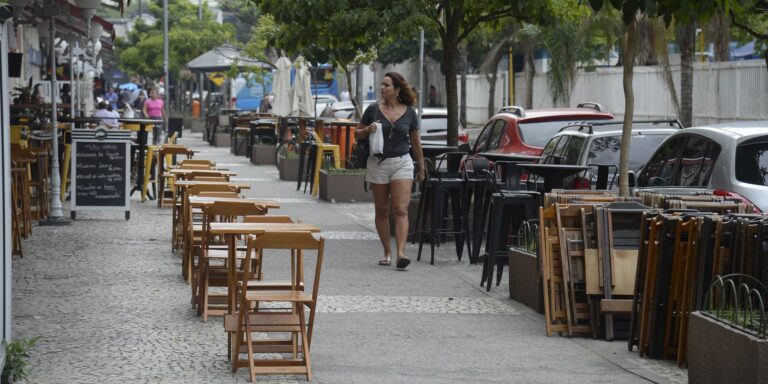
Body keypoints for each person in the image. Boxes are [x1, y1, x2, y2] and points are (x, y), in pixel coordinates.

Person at [355, 72, 425, 269]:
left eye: (386, 85)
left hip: (402, 162)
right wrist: (367, 130)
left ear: (396, 89)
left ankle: (401, 253)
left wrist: (421, 166)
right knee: (382, 210)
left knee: (400, 209)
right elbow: (357, 134)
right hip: (378, 163)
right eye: (382, 85)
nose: (382, 88)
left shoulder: (410, 112)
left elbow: (416, 142)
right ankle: (387, 251)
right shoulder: (373, 109)